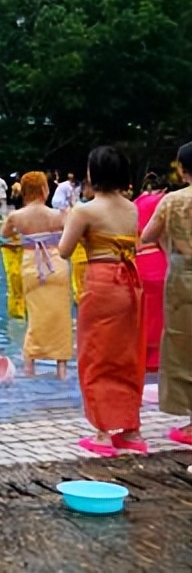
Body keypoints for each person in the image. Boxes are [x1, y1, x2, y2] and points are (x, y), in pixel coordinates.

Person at [59, 146, 144, 457]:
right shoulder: (132, 208)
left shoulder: (86, 210)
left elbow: (64, 251)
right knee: (126, 354)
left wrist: (71, 223)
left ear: (93, 174)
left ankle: (102, 433)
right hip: (130, 283)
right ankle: (131, 429)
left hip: (102, 279)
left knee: (96, 353)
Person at [139, 141, 192, 447]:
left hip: (182, 275)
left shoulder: (172, 202)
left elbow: (147, 235)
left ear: (182, 169)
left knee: (182, 342)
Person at [2, 172, 72, 379]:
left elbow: (5, 233)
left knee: (33, 315)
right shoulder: (60, 214)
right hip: (56, 264)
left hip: (32, 264)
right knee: (61, 317)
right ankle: (61, 368)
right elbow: (71, 233)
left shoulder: (17, 216)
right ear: (44, 189)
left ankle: (29, 366)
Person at [134, 178, 168, 372]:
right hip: (158, 260)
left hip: (138, 261)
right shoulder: (164, 201)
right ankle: (157, 360)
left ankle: (142, 359)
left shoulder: (134, 203)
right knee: (161, 314)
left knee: (142, 313)